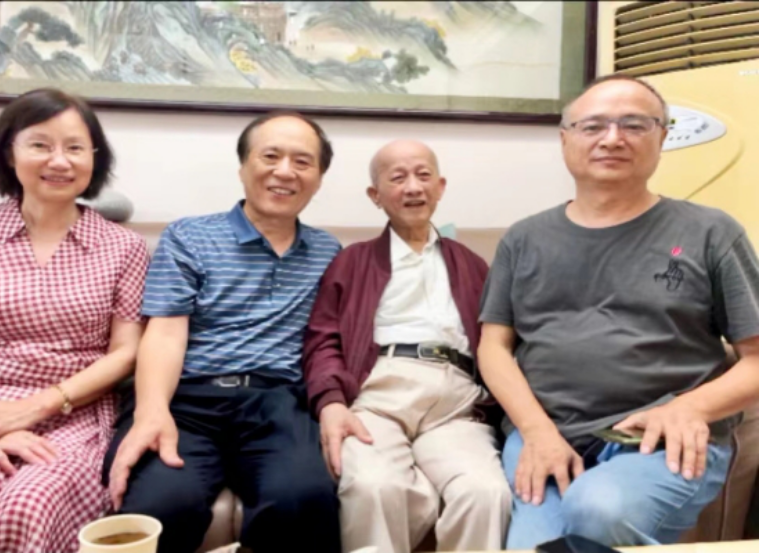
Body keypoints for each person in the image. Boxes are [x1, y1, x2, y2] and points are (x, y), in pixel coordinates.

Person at [478, 74, 759, 550]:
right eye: (593, 126)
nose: (612, 138)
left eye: (633, 124)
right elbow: (494, 347)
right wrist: (537, 431)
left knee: (598, 510)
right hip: (546, 432)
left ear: (662, 137)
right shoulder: (524, 239)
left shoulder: (712, 233)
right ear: (565, 139)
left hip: (659, 438)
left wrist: (688, 408)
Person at [104, 112, 343, 553]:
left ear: (319, 178)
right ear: (243, 167)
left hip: (277, 403)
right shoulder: (190, 237)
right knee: (158, 509)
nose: (285, 171)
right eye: (270, 156)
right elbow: (165, 334)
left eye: (302, 162)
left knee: (303, 500)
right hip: (188, 400)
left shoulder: (328, 252)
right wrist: (152, 411)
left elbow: (331, 342)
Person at [0, 88, 149, 552]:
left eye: (75, 147)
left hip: (73, 411)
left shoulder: (124, 247)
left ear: (94, 159)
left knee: (31, 501)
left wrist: (39, 406)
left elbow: (126, 352)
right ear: (9, 152)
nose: (60, 160)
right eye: (40, 145)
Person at [304, 141, 511, 553]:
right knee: (372, 486)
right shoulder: (352, 261)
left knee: (486, 494)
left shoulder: (472, 263)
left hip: (457, 402)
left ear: (440, 187)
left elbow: (499, 340)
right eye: (397, 178)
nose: (413, 187)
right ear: (375, 195)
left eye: (423, 175)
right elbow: (322, 339)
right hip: (379, 394)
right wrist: (331, 401)